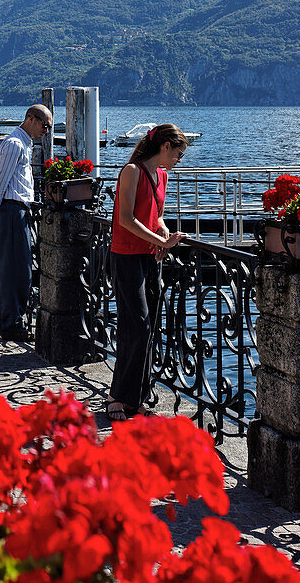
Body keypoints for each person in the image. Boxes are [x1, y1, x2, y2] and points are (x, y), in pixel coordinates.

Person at [106, 124, 187, 422]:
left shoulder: (161, 175)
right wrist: (162, 241)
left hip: (148, 257)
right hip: (126, 255)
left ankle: (135, 399)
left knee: (148, 325)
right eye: (178, 154)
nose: (179, 160)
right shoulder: (132, 171)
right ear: (165, 146)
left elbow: (157, 215)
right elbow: (125, 219)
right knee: (135, 325)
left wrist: (163, 231)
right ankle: (116, 396)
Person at [0, 104, 53, 342]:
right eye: (45, 125)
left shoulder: (22, 143)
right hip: (12, 210)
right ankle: (11, 322)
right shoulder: (15, 144)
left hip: (13, 210)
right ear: (31, 119)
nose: (46, 131)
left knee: (8, 268)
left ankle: (5, 320)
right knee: (17, 269)